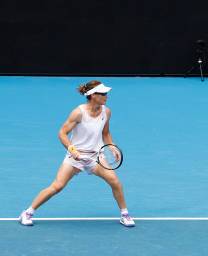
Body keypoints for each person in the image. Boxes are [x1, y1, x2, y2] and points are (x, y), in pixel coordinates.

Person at [18, 80, 135, 227]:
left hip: (95, 157)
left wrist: (112, 147)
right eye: (103, 93)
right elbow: (62, 133)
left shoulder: (106, 111)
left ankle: (125, 214)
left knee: (115, 182)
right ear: (93, 95)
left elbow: (105, 133)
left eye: (106, 93)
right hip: (76, 157)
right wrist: (73, 151)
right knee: (57, 186)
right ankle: (27, 212)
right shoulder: (78, 113)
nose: (107, 96)